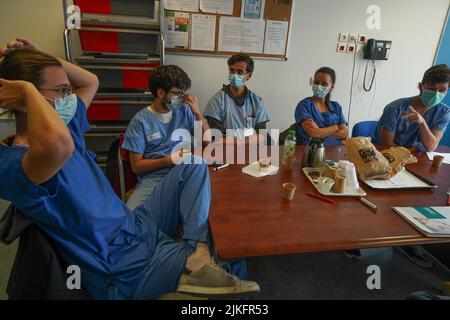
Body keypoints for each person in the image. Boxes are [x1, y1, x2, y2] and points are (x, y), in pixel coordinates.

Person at [0, 37, 259, 299]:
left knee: (195, 165)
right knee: (235, 264)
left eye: (70, 90)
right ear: (24, 100)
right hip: (122, 265)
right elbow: (57, 147)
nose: (71, 98)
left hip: (135, 226)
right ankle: (187, 270)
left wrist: (42, 56)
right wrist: (26, 92)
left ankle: (197, 252)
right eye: (62, 91)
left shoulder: (68, 129)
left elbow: (91, 81)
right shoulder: (13, 162)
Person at [122, 65, 210, 211]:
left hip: (184, 172)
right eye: (178, 93)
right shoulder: (140, 121)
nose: (182, 98)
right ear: (161, 93)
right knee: (131, 217)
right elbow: (136, 166)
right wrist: (168, 160)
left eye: (184, 93)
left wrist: (197, 113)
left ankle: (193, 234)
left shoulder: (185, 111)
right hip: (154, 179)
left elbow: (207, 141)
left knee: (200, 203)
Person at [375, 64, 450, 152]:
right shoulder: (395, 108)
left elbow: (431, 147)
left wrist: (422, 123)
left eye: (442, 90)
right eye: (431, 89)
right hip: (385, 154)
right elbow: (387, 146)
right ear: (421, 87)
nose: (436, 94)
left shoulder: (444, 112)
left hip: (415, 155)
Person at [203, 53, 270, 144]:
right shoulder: (217, 101)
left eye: (240, 72)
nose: (234, 75)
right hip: (225, 151)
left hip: (250, 150)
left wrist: (240, 142)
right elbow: (215, 136)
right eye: (232, 70)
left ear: (249, 76)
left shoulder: (257, 101)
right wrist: (241, 142)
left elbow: (261, 135)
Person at [295, 67, 348, 145]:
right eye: (316, 82)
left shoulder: (336, 106)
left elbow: (344, 134)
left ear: (331, 87)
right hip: (313, 151)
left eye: (324, 84)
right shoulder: (304, 105)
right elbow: (314, 133)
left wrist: (320, 132)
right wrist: (335, 127)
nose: (319, 86)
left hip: (337, 151)